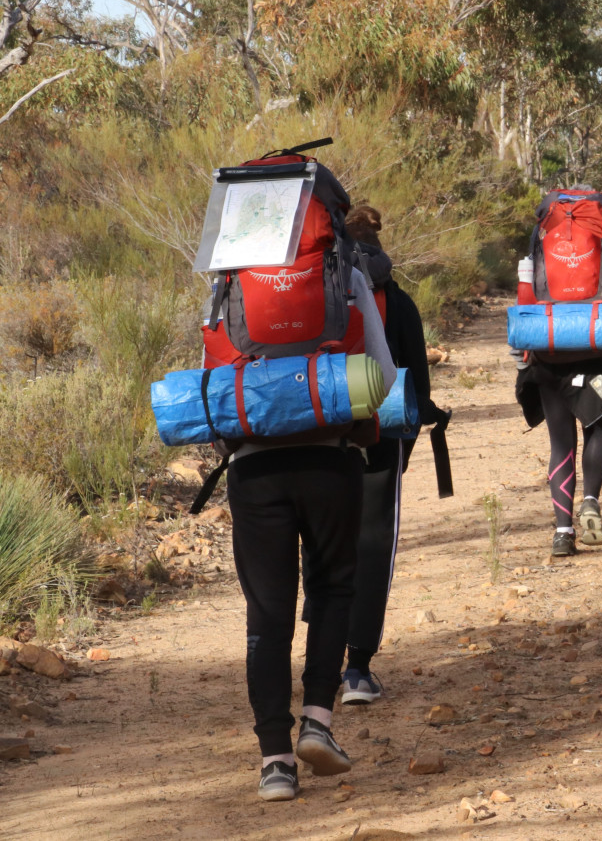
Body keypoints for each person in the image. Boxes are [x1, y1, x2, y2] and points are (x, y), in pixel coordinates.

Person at [215, 179, 396, 801]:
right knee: (331, 587)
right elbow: (384, 370)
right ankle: (318, 722)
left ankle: (273, 762)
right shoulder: (342, 269)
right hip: (330, 455)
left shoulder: (232, 276)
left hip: (253, 465)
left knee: (266, 612)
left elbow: (216, 371)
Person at [337, 206, 449, 706]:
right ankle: (357, 668)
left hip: (318, 433)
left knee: (326, 546)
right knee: (373, 544)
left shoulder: (325, 291)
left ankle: (318, 665)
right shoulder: (397, 301)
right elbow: (415, 394)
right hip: (380, 439)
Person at [513, 188, 602, 558]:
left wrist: (523, 365)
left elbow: (523, 309)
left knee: (560, 443)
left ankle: (562, 532)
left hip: (550, 354)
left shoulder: (534, 254)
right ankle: (590, 499)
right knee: (597, 429)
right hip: (598, 350)